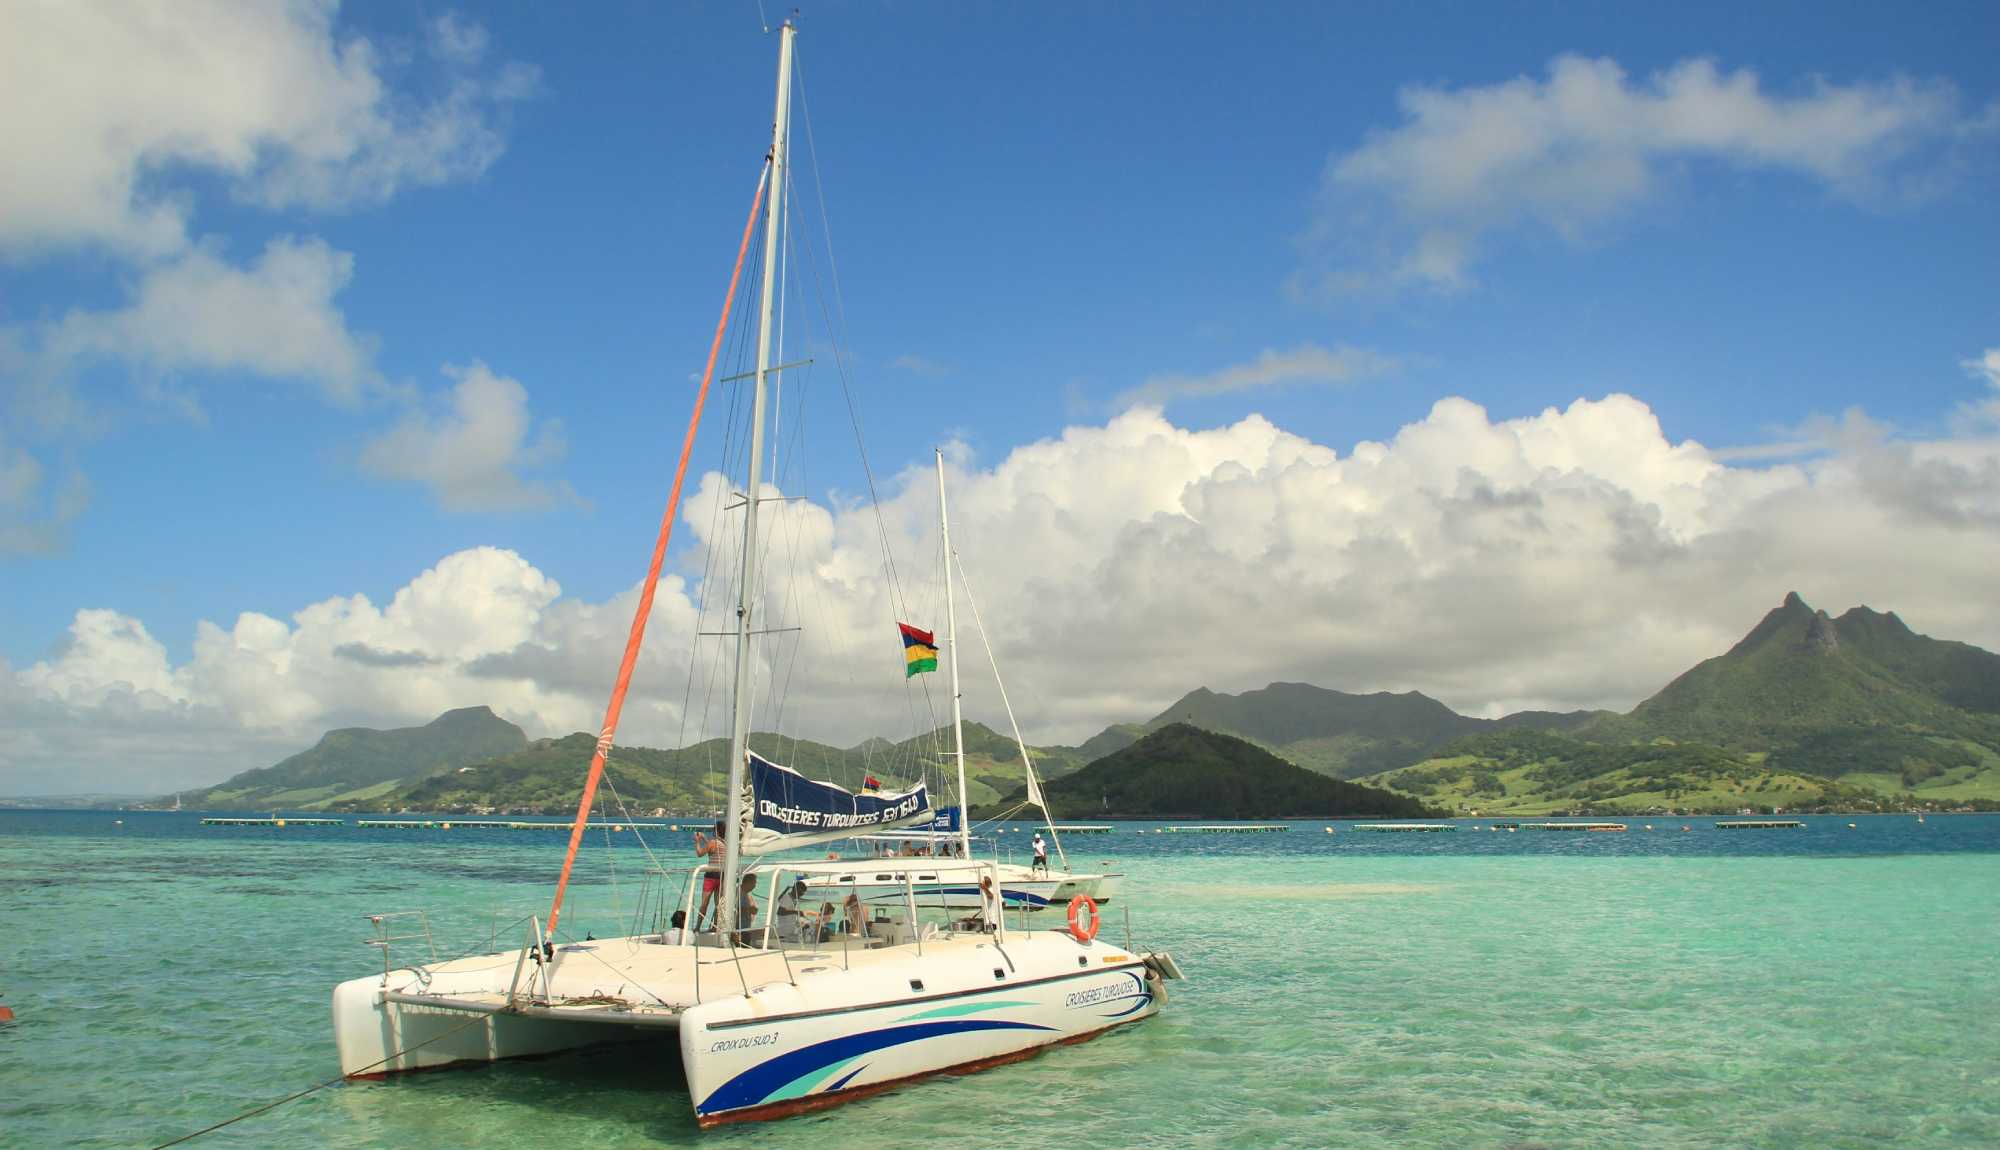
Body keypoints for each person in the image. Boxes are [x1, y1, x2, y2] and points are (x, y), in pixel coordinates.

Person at [692, 820, 725, 930]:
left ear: (716, 831)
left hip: (711, 876)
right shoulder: (725, 843)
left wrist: (697, 842)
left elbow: (700, 853)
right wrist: (705, 838)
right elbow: (713, 849)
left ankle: (697, 927)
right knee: (718, 905)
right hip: (722, 876)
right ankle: (716, 927)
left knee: (704, 904)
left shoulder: (713, 843)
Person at [774, 878, 809, 942]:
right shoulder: (786, 898)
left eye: (802, 894)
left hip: (789, 933)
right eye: (801, 893)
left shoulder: (793, 899)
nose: (801, 895)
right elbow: (779, 912)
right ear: (795, 890)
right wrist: (796, 912)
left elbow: (789, 915)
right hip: (783, 934)